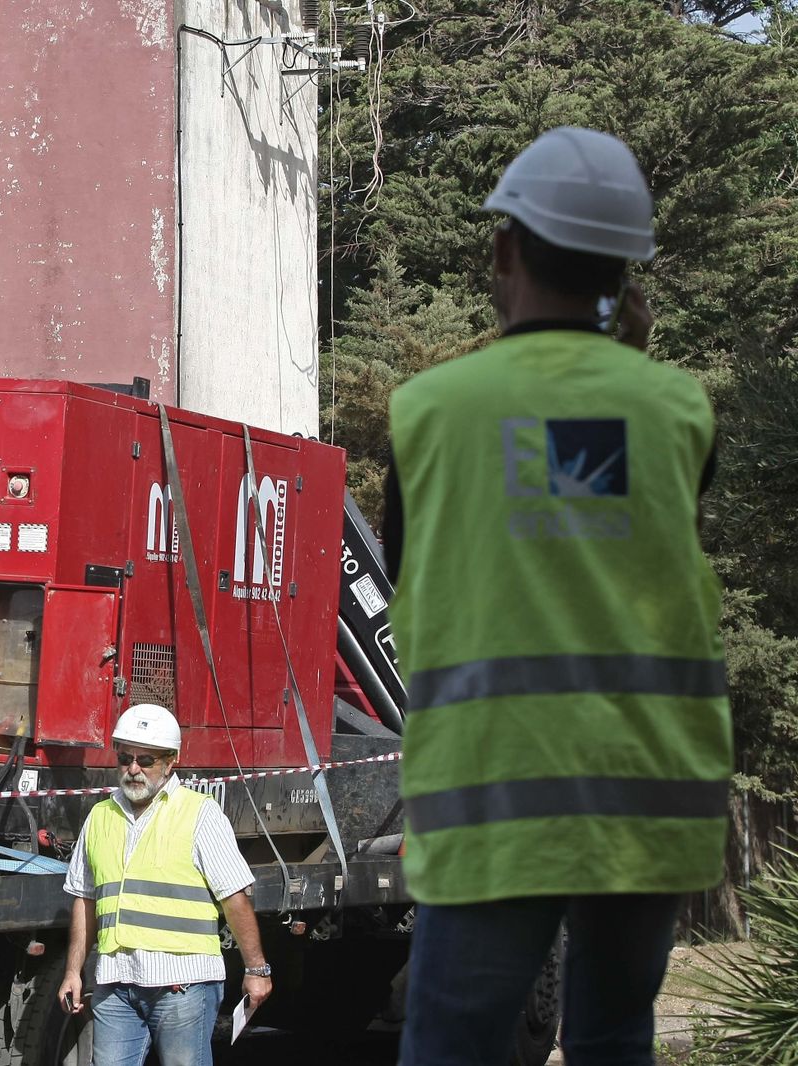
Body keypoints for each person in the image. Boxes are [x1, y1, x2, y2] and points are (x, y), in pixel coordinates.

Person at [384, 127, 730, 1065]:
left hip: (494, 793)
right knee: (617, 1038)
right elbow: (619, 531)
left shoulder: (429, 412)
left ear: (506, 249)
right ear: (625, 267)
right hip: (648, 793)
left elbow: (414, 581)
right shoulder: (678, 409)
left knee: (454, 1047)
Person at [56, 704, 272, 1066]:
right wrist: (72, 972)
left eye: (146, 759)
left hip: (182, 987)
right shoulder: (99, 817)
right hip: (116, 984)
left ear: (171, 762)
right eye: (125, 758)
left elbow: (234, 898)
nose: (134, 768)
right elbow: (84, 899)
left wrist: (256, 969)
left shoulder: (199, 814)